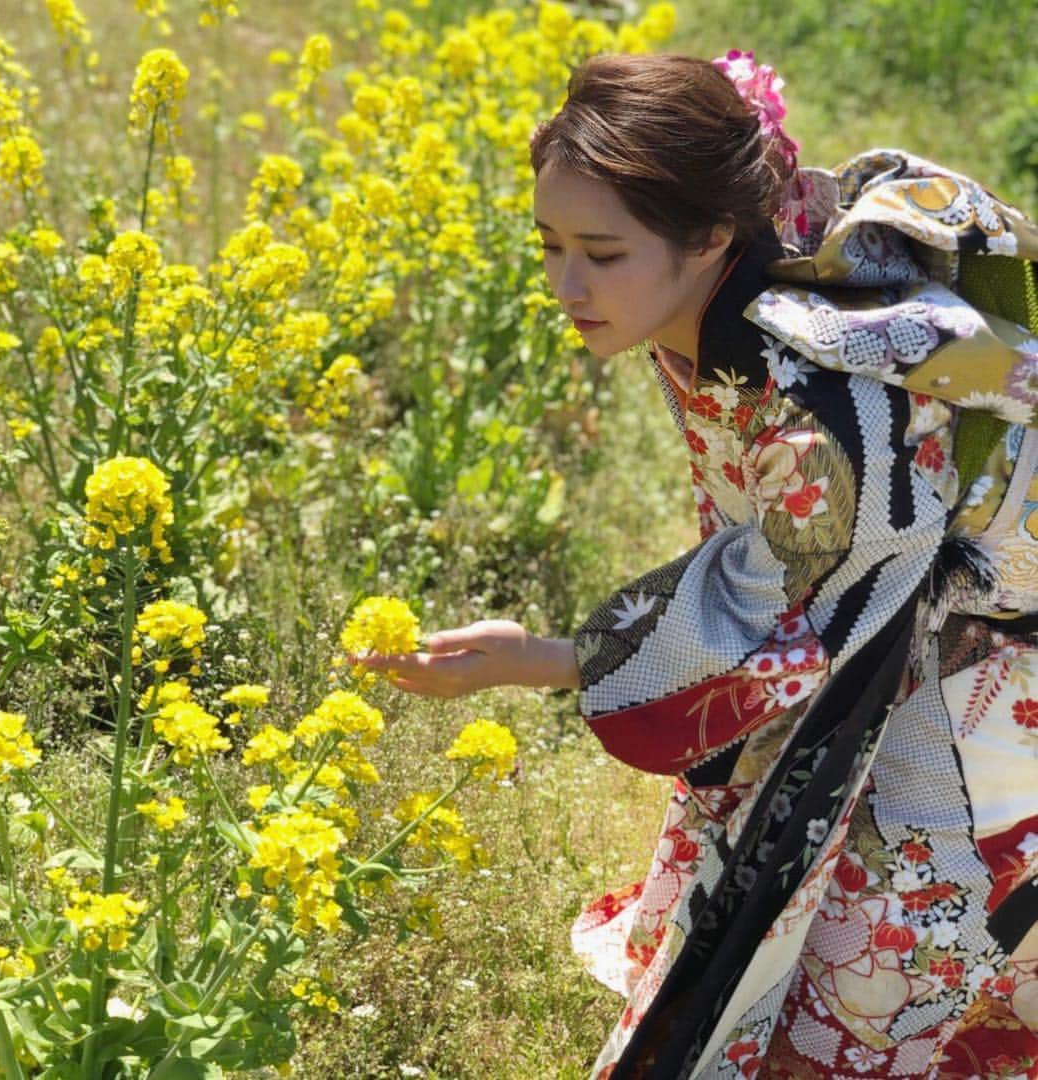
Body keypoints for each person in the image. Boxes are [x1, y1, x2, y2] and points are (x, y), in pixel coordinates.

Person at [356, 52, 1038, 1079]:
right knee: (773, 935)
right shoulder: (713, 312)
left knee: (867, 986)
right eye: (549, 246)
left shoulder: (816, 412)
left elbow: (784, 622)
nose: (567, 285)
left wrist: (542, 658)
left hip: (961, 684)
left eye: (601, 252)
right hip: (878, 644)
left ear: (714, 234)